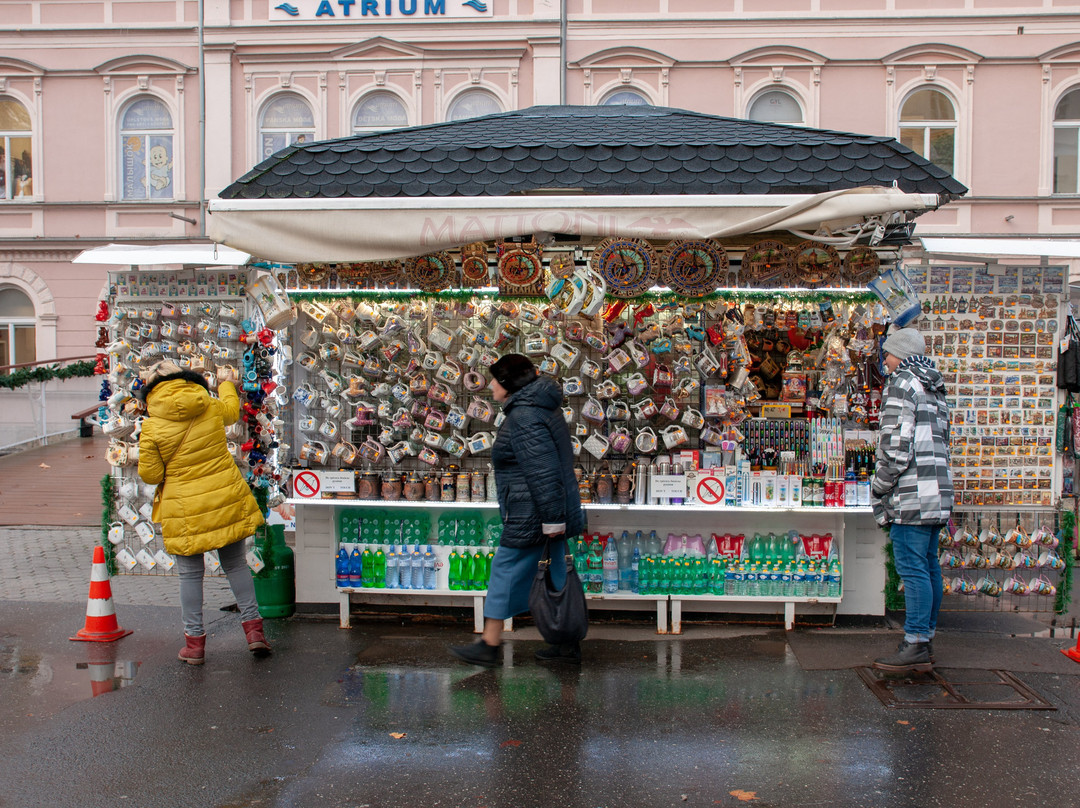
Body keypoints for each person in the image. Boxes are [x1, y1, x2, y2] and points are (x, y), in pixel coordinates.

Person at [450, 354, 584, 667]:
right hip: (546, 511)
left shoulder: (524, 416)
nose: (491, 385)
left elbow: (543, 471)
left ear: (508, 384)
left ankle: (489, 643)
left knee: (505, 569)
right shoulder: (540, 408)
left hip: (533, 513)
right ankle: (566, 644)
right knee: (555, 574)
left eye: (495, 379)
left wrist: (551, 520)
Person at [137, 359, 269, 666]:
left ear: (151, 391)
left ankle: (194, 646)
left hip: (183, 508)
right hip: (223, 496)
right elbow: (231, 410)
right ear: (186, 379)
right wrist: (225, 382)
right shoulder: (208, 406)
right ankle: (254, 633)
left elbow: (152, 475)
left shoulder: (153, 426)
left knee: (190, 575)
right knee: (235, 565)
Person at [870, 328, 953, 673]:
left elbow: (895, 447)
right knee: (929, 566)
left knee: (914, 569)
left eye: (887, 354)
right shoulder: (934, 386)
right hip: (937, 491)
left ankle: (916, 642)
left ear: (901, 355)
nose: (884, 361)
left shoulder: (902, 383)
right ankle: (926, 638)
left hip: (912, 494)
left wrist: (879, 486)